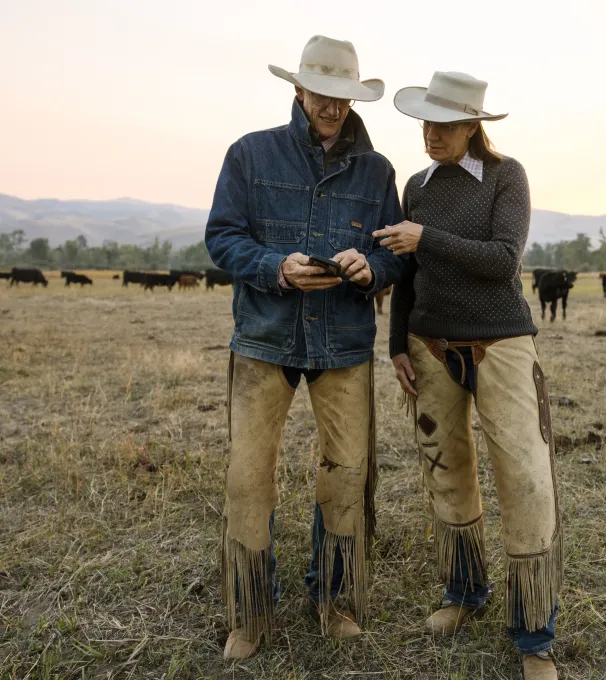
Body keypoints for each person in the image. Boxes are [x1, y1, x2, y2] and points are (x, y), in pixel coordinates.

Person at [205, 35, 405, 660]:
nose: (333, 106)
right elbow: (222, 238)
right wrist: (277, 267)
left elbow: (389, 252)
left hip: (343, 342)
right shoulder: (249, 154)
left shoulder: (377, 172)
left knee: (346, 473)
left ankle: (337, 602)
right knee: (247, 477)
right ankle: (249, 613)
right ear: (298, 90)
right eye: (322, 93)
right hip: (264, 336)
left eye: (344, 96)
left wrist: (371, 268)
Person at [374, 71, 563, 680]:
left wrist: (427, 235)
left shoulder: (507, 176)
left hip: (502, 342)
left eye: (445, 125)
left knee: (525, 477)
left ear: (473, 126)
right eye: (426, 124)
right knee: (445, 471)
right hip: (429, 344)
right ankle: (464, 593)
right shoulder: (417, 184)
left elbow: (503, 259)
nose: (432, 135)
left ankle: (534, 635)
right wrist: (398, 339)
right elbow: (405, 272)